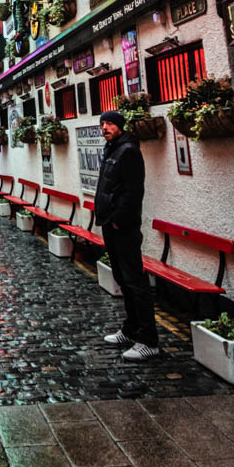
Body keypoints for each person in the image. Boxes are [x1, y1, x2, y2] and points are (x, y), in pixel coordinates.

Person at [95, 109, 160, 361]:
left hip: (123, 226)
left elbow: (133, 192)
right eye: (102, 124)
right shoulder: (112, 149)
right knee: (124, 279)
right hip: (112, 224)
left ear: (120, 126)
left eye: (110, 123)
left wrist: (118, 221)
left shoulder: (129, 151)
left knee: (135, 281)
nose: (105, 128)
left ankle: (148, 340)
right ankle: (131, 329)